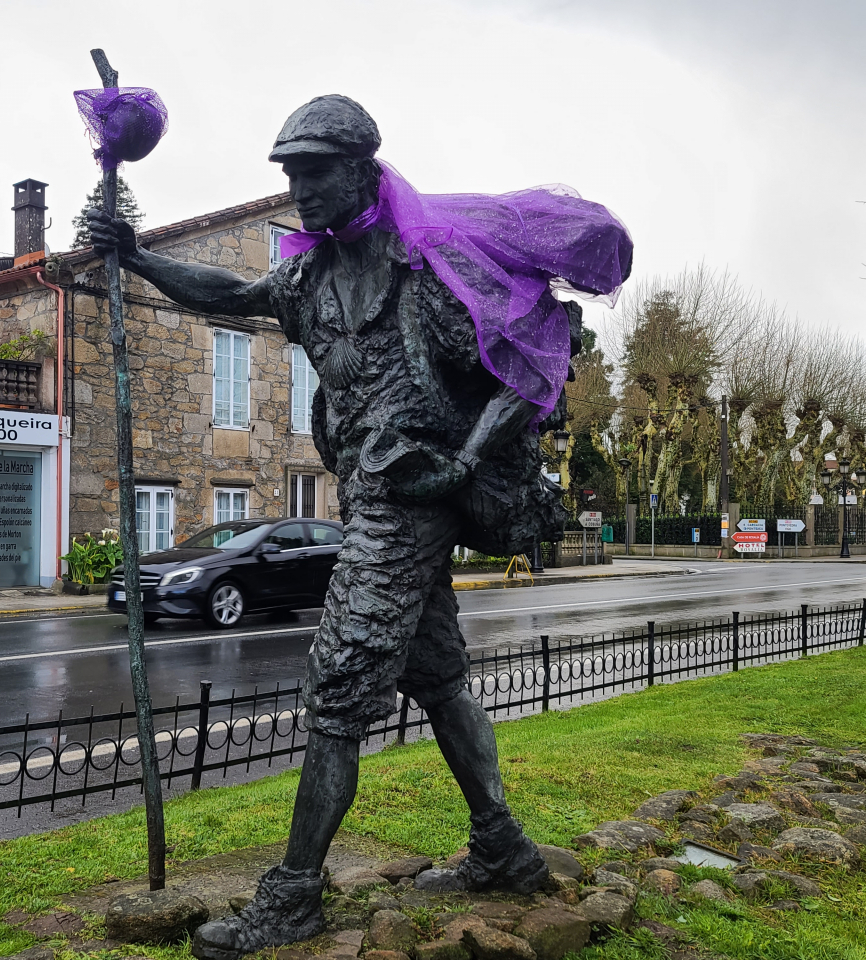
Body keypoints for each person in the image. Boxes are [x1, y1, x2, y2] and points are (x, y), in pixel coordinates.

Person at [88, 94, 632, 960]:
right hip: (370, 502)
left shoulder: (424, 282)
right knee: (441, 678)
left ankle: (295, 897)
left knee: (339, 693)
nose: (299, 190)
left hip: (408, 506)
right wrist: (139, 259)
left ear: (361, 173)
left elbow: (520, 376)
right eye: (289, 175)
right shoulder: (304, 281)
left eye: (313, 172)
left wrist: (460, 464)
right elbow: (231, 291)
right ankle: (504, 847)